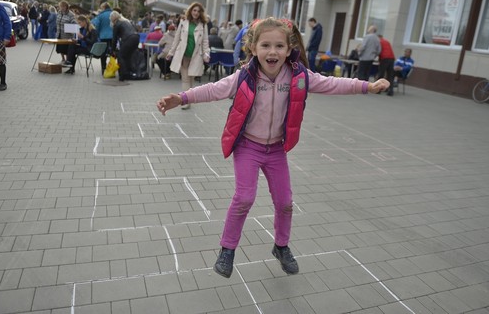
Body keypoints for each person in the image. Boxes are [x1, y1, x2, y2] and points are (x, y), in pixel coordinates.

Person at [156, 17, 389, 279]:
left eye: (279, 46)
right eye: (265, 45)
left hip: (276, 150)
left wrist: (367, 86)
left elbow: (333, 83)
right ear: (253, 48)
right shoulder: (245, 76)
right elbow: (214, 89)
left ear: (289, 50)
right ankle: (227, 250)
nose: (272, 51)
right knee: (244, 198)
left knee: (285, 203)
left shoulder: (299, 76)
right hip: (248, 147)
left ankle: (281, 246)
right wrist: (182, 97)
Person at [166, 1, 211, 109]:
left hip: (196, 56)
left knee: (191, 79)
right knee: (185, 79)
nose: (196, 13)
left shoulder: (203, 24)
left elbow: (205, 41)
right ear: (190, 11)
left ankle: (188, 99)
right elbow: (177, 38)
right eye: (194, 10)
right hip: (183, 55)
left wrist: (206, 54)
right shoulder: (183, 22)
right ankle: (185, 101)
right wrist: (171, 52)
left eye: (198, 11)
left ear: (201, 13)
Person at [110, 10, 139, 81]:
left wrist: (112, 50)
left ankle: (123, 75)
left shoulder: (117, 24)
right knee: (128, 56)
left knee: (121, 56)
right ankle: (129, 73)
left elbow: (114, 39)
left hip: (129, 39)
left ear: (112, 19)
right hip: (136, 38)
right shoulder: (126, 21)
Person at [91, 2, 113, 74]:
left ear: (103, 8)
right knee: (113, 52)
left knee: (103, 53)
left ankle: (104, 68)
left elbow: (96, 26)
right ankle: (112, 67)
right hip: (113, 36)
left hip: (103, 36)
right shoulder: (114, 13)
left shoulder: (100, 15)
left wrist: (97, 34)